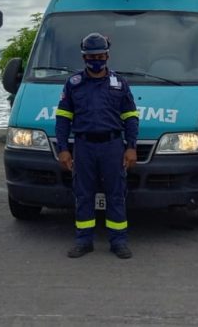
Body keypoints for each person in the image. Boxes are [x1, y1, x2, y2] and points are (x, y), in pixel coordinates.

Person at [55, 33, 139, 259]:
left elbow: (131, 117)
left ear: (107, 55)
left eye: (100, 55)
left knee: (116, 194)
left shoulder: (119, 83)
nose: (96, 60)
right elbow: (63, 118)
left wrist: (131, 147)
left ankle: (118, 241)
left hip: (112, 146)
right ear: (84, 57)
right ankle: (84, 241)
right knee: (83, 194)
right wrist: (63, 149)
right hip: (83, 147)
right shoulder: (73, 84)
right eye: (91, 56)